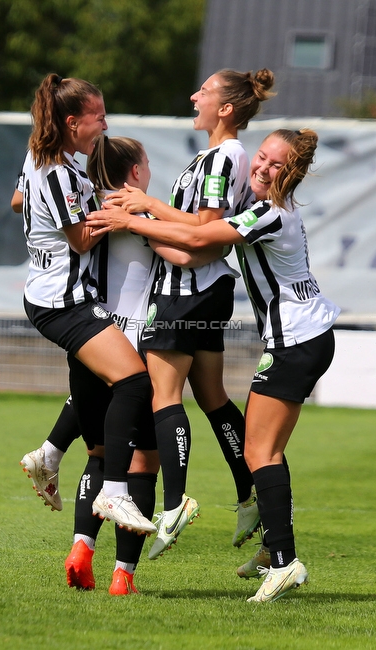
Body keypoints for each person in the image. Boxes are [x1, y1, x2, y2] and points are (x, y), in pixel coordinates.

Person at [89, 128, 341, 602]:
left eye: (275, 166)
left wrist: (134, 220)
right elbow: (192, 225)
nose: (262, 169)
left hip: (296, 340)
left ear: (293, 175)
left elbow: (198, 235)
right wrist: (146, 205)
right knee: (261, 450)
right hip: (305, 338)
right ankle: (273, 550)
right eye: (262, 159)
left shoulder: (268, 213)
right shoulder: (267, 208)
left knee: (259, 453)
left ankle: (285, 563)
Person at [19, 135, 211, 594]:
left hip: (88, 338)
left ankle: (81, 547)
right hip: (130, 345)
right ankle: (122, 576)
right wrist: (214, 245)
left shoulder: (85, 207)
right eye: (146, 163)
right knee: (141, 463)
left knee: (101, 455)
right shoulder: (136, 214)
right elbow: (185, 252)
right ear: (137, 172)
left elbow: (24, 202)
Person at [102, 69, 275, 560]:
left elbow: (205, 229)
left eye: (204, 91)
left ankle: (175, 503)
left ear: (225, 109)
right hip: (204, 287)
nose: (194, 94)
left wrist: (142, 213)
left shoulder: (226, 156)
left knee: (163, 396)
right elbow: (198, 237)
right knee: (214, 397)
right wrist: (151, 220)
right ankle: (250, 495)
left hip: (186, 292)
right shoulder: (217, 155)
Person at [16, 73, 156, 541]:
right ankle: (113, 490)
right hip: (64, 302)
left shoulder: (40, 158)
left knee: (97, 390)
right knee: (134, 380)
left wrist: (68, 207)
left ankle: (49, 457)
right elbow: (79, 241)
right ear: (73, 122)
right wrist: (122, 215)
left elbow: (18, 200)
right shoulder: (57, 170)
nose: (105, 124)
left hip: (57, 297)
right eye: (98, 117)